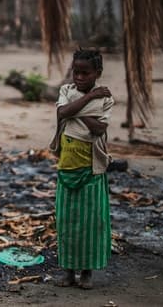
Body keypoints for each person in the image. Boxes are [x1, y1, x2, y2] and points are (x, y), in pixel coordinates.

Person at [49, 48, 114, 289]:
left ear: (97, 72)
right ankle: (68, 272)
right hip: (67, 169)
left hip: (92, 171)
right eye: (76, 72)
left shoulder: (105, 99)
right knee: (67, 223)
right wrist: (88, 100)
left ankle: (86, 273)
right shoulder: (67, 91)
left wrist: (75, 112)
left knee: (90, 224)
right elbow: (62, 113)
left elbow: (99, 129)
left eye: (85, 73)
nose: (79, 77)